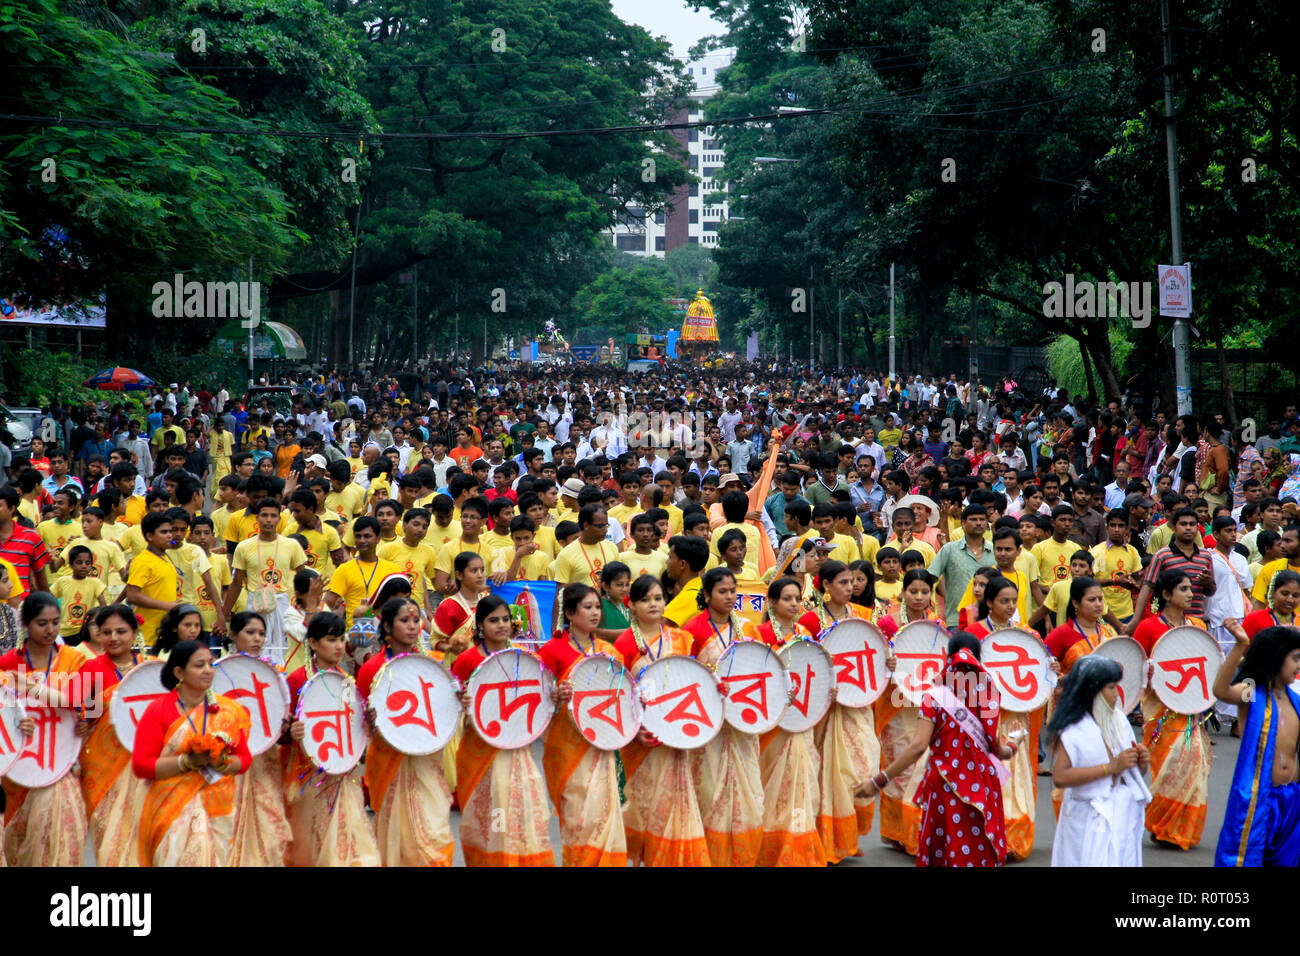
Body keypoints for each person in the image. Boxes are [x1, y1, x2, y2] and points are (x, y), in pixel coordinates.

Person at [856, 631, 1016, 867]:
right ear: (978, 660)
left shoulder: (933, 697)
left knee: (947, 850)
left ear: (947, 657)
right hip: (982, 784)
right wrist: (1014, 743)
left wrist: (880, 780)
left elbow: (918, 746)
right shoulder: (987, 695)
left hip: (945, 786)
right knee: (978, 851)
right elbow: (997, 750)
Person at [611, 575, 710, 866]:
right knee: (647, 801)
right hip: (643, 738)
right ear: (632, 606)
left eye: (657, 598)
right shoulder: (625, 642)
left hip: (677, 733)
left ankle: (677, 858)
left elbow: (691, 680)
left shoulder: (681, 639)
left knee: (679, 797)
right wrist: (636, 730)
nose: (653, 604)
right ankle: (652, 856)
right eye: (645, 599)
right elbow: (619, 692)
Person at [450, 596, 554, 866]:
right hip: (482, 751)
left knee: (525, 809)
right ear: (480, 625)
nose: (501, 625)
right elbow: (451, 705)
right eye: (493, 620)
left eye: (505, 619)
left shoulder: (526, 658)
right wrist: (462, 704)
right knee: (493, 815)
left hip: (519, 749)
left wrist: (556, 696)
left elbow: (540, 698)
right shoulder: (467, 661)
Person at [131, 640, 252, 866]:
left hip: (218, 807)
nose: (208, 670)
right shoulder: (159, 710)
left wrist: (221, 761)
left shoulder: (228, 710)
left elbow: (244, 760)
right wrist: (187, 762)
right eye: (199, 665)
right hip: (171, 806)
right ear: (179, 672)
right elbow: (141, 765)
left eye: (210, 664)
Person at [356, 597, 454, 867]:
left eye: (415, 620)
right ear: (387, 626)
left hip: (426, 759)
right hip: (389, 762)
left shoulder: (431, 664)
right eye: (404, 621)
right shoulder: (372, 670)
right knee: (398, 834)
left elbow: (442, 711)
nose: (413, 627)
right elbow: (362, 724)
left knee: (433, 832)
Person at [967, 574, 1059, 859]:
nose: (1009, 607)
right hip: (986, 720)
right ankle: (988, 836)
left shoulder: (1028, 636)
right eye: (1003, 601)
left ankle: (1013, 837)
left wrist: (1051, 669)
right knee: (990, 778)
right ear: (989, 603)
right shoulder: (975, 635)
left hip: (1019, 717)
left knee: (1017, 776)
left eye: (1013, 601)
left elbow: (1040, 676)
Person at [537, 583, 627, 866]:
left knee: (603, 810)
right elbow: (538, 701)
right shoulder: (552, 651)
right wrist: (555, 695)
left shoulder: (609, 651)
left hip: (601, 745)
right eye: (588, 607)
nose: (595, 613)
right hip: (566, 748)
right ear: (570, 613)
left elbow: (622, 696)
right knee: (578, 816)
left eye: (597, 607)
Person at [680, 567, 764, 866]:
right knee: (710, 790)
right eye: (723, 591)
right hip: (709, 726)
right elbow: (685, 679)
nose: (730, 597)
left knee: (748, 790)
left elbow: (758, 672)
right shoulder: (692, 630)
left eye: (733, 591)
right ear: (706, 595)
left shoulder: (747, 628)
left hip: (742, 725)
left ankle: (741, 856)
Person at [283, 612, 381, 867]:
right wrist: (290, 734)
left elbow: (354, 728)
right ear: (313, 643)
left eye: (341, 639)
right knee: (311, 840)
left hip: (343, 773)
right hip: (307, 775)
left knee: (347, 838)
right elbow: (283, 731)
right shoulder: (296, 680)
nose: (339, 646)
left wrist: (368, 722)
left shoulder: (347, 681)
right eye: (331, 640)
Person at [800, 559, 880, 860]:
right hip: (824, 710)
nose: (851, 587)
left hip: (857, 705)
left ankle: (846, 837)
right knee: (825, 775)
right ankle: (826, 841)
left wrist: (887, 663)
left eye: (853, 582)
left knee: (862, 768)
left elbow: (873, 655)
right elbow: (802, 664)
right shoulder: (809, 621)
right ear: (825, 586)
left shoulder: (862, 616)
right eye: (843, 583)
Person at [0, 592, 88, 865]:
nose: (50, 630)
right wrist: (15, 724)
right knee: (18, 844)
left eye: (56, 623)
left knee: (59, 842)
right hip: (18, 769)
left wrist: (84, 720)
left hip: (61, 760)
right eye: (42, 623)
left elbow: (82, 702)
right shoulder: (8, 664)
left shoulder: (75, 660)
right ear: (26, 624)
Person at [1130, 569, 1214, 850]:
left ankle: (1180, 829)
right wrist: (1151, 674)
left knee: (1194, 763)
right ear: (1166, 595)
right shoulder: (1149, 627)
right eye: (1184, 589)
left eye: (1191, 589)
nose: (1191, 594)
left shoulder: (1198, 627)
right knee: (1169, 765)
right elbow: (1136, 667)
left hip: (1193, 709)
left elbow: (1208, 666)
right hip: (1160, 709)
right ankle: (1161, 824)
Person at [1048, 655, 1152, 866]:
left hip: (1120, 814)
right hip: (1085, 818)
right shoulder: (1073, 728)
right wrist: (1111, 767)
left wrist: (1140, 763)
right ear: (1092, 691)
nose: (1116, 694)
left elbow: (1129, 775)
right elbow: (1060, 776)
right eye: (1111, 688)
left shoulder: (1119, 720)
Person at [1212, 623, 1300, 866]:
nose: (1298, 666)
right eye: (1294, 658)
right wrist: (1240, 646)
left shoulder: (1296, 700)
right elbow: (1220, 690)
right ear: (1275, 657)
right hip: (1258, 796)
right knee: (1246, 857)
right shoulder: (1252, 692)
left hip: (1292, 797)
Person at [752, 575, 825, 865]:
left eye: (797, 598)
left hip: (802, 722)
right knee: (771, 784)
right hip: (773, 726)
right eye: (787, 599)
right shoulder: (759, 635)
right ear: (771, 602)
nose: (794, 604)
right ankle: (770, 847)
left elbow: (818, 670)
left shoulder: (806, 632)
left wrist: (826, 689)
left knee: (802, 783)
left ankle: (797, 849)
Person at [873, 568, 941, 855]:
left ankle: (916, 831)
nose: (919, 597)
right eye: (913, 591)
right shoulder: (888, 623)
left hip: (925, 705)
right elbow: (875, 660)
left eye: (925, 592)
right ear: (903, 592)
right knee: (900, 767)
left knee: (921, 768)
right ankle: (897, 831)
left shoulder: (937, 625)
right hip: (897, 705)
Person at [77, 604, 151, 866]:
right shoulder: (91, 668)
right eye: (106, 632)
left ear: (134, 632)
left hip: (146, 764)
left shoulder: (151, 669)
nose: (114, 638)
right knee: (108, 836)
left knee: (145, 833)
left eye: (121, 631)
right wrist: (84, 716)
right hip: (103, 765)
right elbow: (84, 713)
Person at [223, 611, 293, 868]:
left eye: (261, 634)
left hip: (265, 756)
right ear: (233, 635)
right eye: (250, 633)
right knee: (231, 819)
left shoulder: (273, 673)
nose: (257, 639)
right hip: (229, 759)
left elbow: (281, 710)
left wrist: (285, 727)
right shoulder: (220, 671)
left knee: (269, 819)